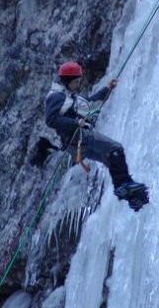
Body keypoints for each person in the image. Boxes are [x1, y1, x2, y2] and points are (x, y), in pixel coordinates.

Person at [45, 61, 149, 211]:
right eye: (75, 82)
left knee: (109, 159)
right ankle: (124, 186)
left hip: (74, 146)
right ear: (66, 82)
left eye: (78, 81)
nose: (78, 85)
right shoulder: (57, 97)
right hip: (79, 137)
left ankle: (130, 196)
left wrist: (107, 89)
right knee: (116, 148)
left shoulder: (69, 97)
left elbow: (89, 102)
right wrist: (76, 122)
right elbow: (50, 120)